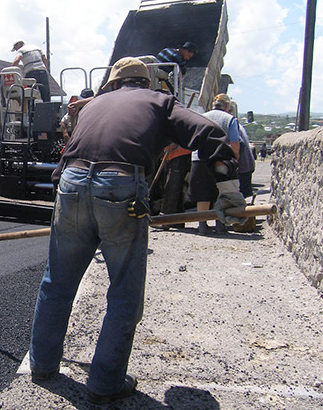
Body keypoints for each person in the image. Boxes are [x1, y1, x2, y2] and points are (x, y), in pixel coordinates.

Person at [28, 57, 243, 405]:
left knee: (57, 282)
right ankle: (105, 382)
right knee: (124, 291)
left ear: (112, 83)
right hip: (120, 186)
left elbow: (70, 156)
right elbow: (210, 133)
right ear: (148, 83)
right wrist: (229, 187)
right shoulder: (159, 101)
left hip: (70, 183)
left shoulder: (93, 105)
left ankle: (42, 366)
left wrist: (69, 201)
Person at [189, 93, 241, 235]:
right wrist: (235, 159)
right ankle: (220, 225)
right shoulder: (229, 119)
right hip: (221, 159)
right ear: (227, 106)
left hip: (199, 159)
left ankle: (202, 226)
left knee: (202, 194)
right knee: (221, 192)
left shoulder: (201, 117)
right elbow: (235, 142)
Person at [237, 124, 255, 198]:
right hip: (247, 165)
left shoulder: (232, 125)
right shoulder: (237, 124)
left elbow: (238, 144)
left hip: (241, 166)